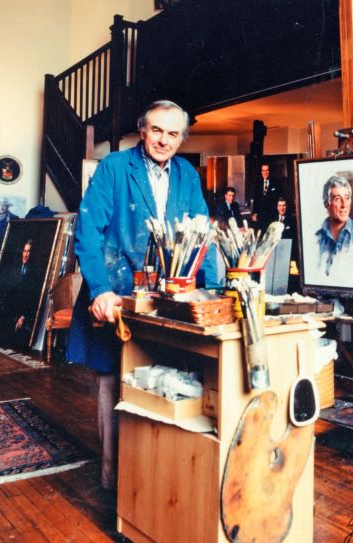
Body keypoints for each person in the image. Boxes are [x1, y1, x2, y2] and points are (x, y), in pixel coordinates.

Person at [67, 100, 219, 490]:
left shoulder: (186, 174)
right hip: (114, 290)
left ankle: (150, 482)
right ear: (142, 130)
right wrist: (100, 290)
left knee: (161, 381)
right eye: (157, 130)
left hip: (164, 296)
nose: (164, 140)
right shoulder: (115, 167)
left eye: (173, 134)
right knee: (110, 380)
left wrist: (215, 291)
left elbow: (201, 236)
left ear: (182, 139)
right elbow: (88, 231)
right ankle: (111, 476)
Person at [315, 175, 353, 275]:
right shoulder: (316, 239)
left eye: (347, 198)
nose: (344, 205)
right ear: (327, 204)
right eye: (338, 199)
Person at [251, 163, 282, 229]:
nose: (265, 172)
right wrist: (254, 213)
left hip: (273, 214)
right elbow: (256, 199)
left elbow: (280, 198)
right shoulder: (257, 183)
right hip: (261, 215)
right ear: (261, 172)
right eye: (263, 170)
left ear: (270, 171)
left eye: (267, 170)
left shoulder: (276, 182)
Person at [276, 196, 297, 260]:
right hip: (276, 254)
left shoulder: (292, 220)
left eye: (284, 205)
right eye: (279, 205)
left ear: (287, 206)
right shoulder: (273, 220)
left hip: (288, 254)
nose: (281, 208)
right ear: (277, 207)